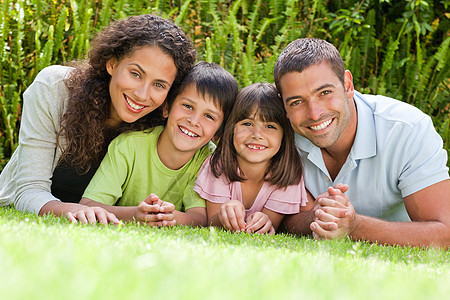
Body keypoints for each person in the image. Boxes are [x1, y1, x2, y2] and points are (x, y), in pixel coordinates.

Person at [0, 14, 197, 224]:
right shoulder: (54, 88)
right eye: (136, 74)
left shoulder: (163, 124)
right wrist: (74, 210)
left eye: (159, 85)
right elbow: (28, 191)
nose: (142, 94)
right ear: (112, 64)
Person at [273, 37, 450, 248]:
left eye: (325, 92)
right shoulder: (275, 136)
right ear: (282, 104)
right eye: (297, 102)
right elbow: (278, 214)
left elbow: (445, 232)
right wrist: (318, 215)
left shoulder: (406, 129)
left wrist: (355, 226)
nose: (315, 113)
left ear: (347, 84)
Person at [80, 62, 239, 227]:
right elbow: (89, 205)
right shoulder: (128, 146)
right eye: (187, 106)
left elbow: (199, 217)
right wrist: (135, 214)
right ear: (166, 107)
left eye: (209, 116)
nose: (194, 121)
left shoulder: (208, 160)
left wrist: (168, 216)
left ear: (219, 133)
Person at [194, 83, 313, 234]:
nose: (257, 134)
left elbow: (268, 226)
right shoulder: (218, 166)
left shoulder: (289, 176)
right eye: (247, 123)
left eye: (270, 126)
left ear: (284, 136)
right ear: (231, 129)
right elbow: (212, 223)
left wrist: (265, 222)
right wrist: (224, 215)